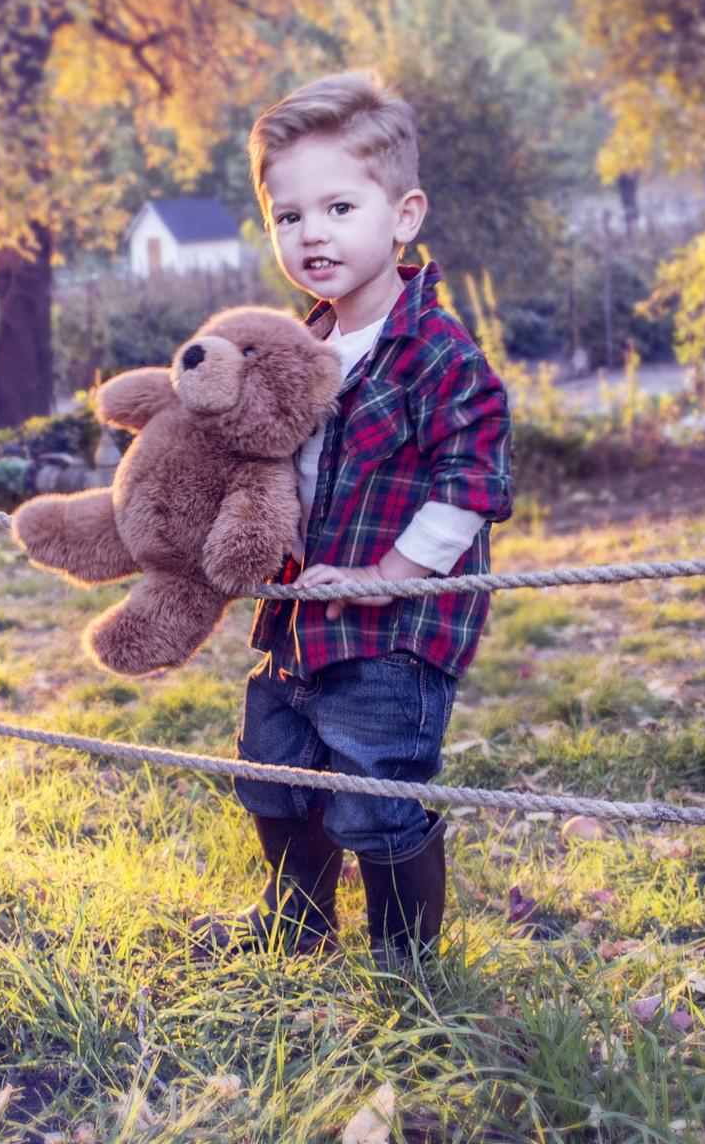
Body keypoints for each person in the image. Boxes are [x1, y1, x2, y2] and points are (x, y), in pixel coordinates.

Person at [190, 72, 512, 968]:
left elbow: (472, 482)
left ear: (403, 215)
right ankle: (297, 922)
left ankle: (406, 958)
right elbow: (275, 465)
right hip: (298, 617)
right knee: (273, 770)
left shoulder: (437, 355)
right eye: (290, 216)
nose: (313, 233)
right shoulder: (300, 349)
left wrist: (389, 580)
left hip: (393, 633)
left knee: (376, 788)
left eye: (338, 206)